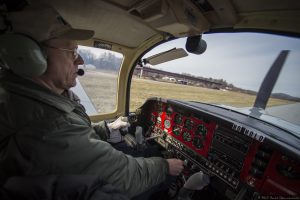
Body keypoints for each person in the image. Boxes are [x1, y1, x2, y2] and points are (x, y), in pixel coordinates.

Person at [0, 1, 184, 199]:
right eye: (71, 52)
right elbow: (124, 177)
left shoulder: (35, 101)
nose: (80, 61)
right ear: (30, 56)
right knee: (163, 173)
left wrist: (105, 128)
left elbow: (76, 133)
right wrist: (164, 166)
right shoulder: (47, 125)